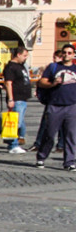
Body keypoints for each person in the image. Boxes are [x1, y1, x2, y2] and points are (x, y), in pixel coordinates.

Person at [35, 43, 76, 171]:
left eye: (69, 53)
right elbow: (41, 82)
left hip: (72, 105)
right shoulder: (53, 67)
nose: (66, 55)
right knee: (49, 134)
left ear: (74, 55)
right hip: (54, 105)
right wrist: (53, 83)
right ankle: (41, 156)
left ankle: (70, 162)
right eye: (64, 52)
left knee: (71, 136)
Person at [2, 46, 31, 154]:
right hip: (16, 98)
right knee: (15, 123)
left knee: (20, 122)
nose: (26, 58)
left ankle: (16, 141)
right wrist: (10, 99)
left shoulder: (21, 65)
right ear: (18, 55)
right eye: (24, 55)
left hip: (23, 98)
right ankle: (13, 145)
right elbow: (8, 83)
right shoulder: (11, 67)